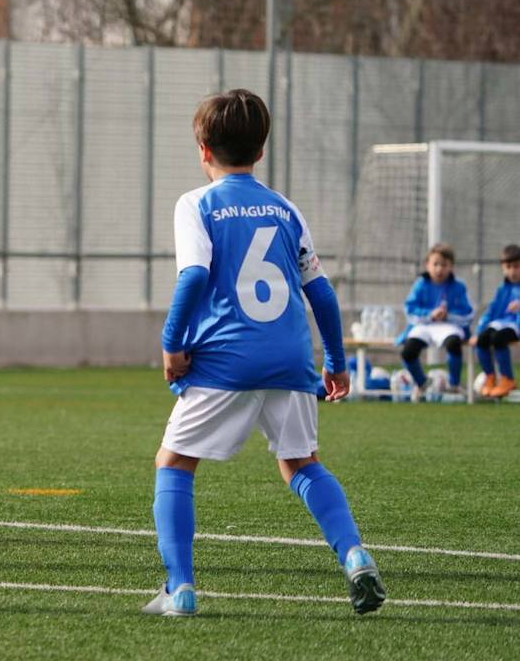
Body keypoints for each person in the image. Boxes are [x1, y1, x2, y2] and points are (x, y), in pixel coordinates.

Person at [148, 89, 384, 617]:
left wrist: (171, 344)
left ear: (203, 148)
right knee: (301, 463)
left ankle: (179, 588)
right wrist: (337, 362)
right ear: (261, 149)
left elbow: (194, 276)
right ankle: (355, 554)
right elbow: (320, 290)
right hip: (291, 358)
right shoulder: (284, 207)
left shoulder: (196, 203)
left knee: (174, 464)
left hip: (226, 358)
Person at [396, 243, 472, 396]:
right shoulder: (420, 284)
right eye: (435, 264)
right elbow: (409, 309)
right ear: (427, 265)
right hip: (424, 325)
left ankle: (454, 384)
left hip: (449, 325)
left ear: (451, 267)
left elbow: (468, 313)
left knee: (454, 343)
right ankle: (422, 383)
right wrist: (430, 314)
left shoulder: (459, 287)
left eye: (444, 265)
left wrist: (448, 315)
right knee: (408, 351)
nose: (439, 269)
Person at [470, 243, 520, 399]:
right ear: (503, 268)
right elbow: (491, 311)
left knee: (499, 339)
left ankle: (507, 378)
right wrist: (478, 331)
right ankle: (490, 377)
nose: (513, 271)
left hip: (516, 326)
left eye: (517, 266)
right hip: (501, 323)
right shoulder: (502, 289)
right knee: (483, 339)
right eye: (509, 267)